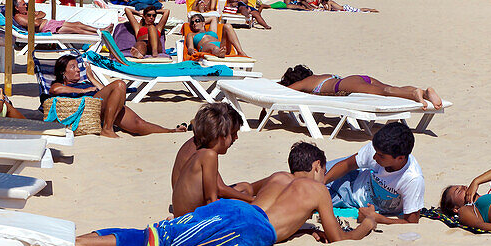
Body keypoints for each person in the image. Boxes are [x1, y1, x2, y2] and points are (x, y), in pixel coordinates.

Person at [37, 142, 377, 246]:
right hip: (249, 228)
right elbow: (338, 241)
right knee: (158, 244)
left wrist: (300, 226)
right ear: (317, 167)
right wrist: (366, 225)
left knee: (159, 234)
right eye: (324, 170)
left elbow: (243, 189)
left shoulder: (278, 178)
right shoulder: (316, 192)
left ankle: (76, 243)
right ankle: (72, 244)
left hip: (237, 211)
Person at [48, 54, 185, 138]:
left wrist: (92, 78)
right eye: (73, 67)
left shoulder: (85, 83)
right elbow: (55, 90)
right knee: (119, 84)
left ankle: (170, 131)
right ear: (63, 73)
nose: (78, 69)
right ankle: (107, 129)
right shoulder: (59, 85)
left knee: (138, 123)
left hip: (102, 108)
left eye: (78, 66)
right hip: (87, 109)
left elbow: (104, 91)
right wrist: (83, 91)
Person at [324, 122, 424, 225]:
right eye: (375, 152)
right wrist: (322, 181)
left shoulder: (412, 179)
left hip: (348, 200)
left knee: (313, 199)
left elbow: (411, 221)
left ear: (400, 158)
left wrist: (376, 218)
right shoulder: (379, 148)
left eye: (381, 156)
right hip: (353, 178)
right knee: (314, 173)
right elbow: (347, 164)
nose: (374, 157)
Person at [170, 103, 254, 216]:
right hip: (190, 216)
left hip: (185, 211)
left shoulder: (201, 151)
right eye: (232, 134)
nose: (235, 138)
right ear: (221, 135)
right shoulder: (209, 155)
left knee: (246, 189)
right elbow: (212, 197)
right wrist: (252, 200)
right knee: (246, 204)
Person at [279, 64, 443, 108]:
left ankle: (414, 94)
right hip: (356, 79)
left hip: (344, 85)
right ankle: (425, 93)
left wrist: (266, 107)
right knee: (391, 87)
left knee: (385, 92)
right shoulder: (317, 77)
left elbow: (282, 92)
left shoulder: (304, 83)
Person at [11, 0, 99, 36]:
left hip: (50, 23)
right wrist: (36, 17)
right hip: (47, 28)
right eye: (23, 5)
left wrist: (35, 17)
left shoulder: (26, 13)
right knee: (76, 29)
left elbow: (42, 13)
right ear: (16, 8)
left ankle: (100, 30)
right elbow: (36, 24)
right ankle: (98, 35)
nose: (26, 6)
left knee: (78, 23)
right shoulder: (19, 18)